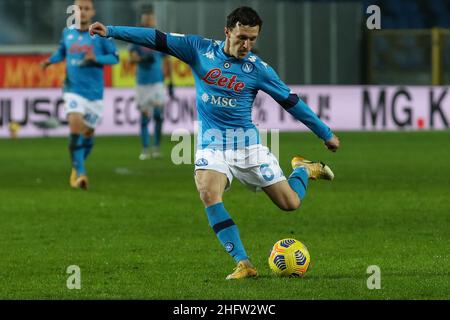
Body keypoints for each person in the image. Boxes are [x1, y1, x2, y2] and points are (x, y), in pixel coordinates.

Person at [89, 6, 340, 279]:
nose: (247, 45)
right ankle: (244, 262)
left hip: (247, 145)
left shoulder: (258, 70)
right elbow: (157, 38)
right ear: (227, 31)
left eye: (253, 39)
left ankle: (303, 169)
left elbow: (291, 102)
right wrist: (111, 31)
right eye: (242, 37)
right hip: (212, 144)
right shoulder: (198, 49)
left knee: (290, 204)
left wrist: (324, 132)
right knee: (208, 192)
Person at [41, 0, 119, 189]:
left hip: (94, 94)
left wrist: (96, 58)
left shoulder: (101, 35)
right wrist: (50, 61)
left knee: (88, 134)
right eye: (79, 8)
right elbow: (62, 52)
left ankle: (77, 166)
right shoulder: (67, 33)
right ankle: (81, 174)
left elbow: (114, 58)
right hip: (72, 90)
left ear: (92, 12)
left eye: (86, 9)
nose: (82, 12)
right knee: (75, 129)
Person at [129, 9, 174, 160]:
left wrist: (171, 81)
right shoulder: (137, 39)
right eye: (146, 20)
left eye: (150, 20)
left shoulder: (159, 39)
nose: (148, 23)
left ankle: (156, 147)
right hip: (142, 83)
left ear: (154, 21)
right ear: (142, 21)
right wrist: (141, 59)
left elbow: (168, 60)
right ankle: (145, 148)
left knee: (158, 115)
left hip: (157, 82)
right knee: (144, 117)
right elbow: (131, 58)